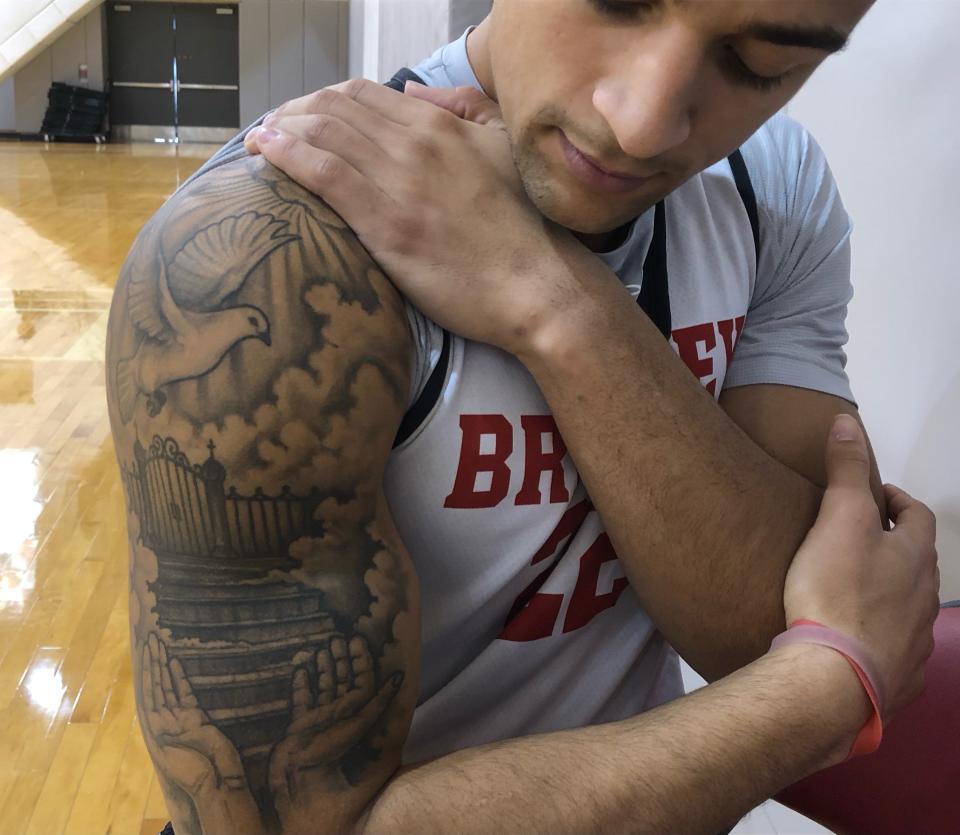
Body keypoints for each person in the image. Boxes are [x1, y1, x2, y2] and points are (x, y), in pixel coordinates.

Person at [105, 1, 943, 832]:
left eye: (760, 64)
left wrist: (558, 303)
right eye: (617, 2)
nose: (643, 125)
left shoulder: (772, 188)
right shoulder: (270, 257)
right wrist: (824, 691)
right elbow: (292, 828)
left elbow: (773, 624)